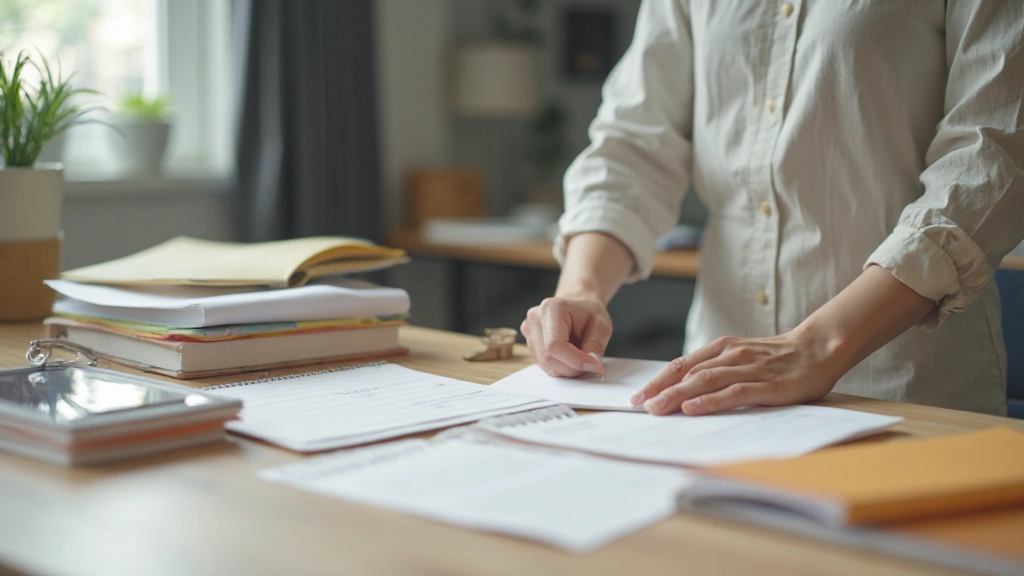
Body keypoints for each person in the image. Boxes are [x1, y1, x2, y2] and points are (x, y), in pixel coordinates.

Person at [520, 0, 1023, 417]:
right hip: (709, 392)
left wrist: (818, 346)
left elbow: (990, 155)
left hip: (903, 389)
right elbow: (635, 143)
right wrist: (582, 291)